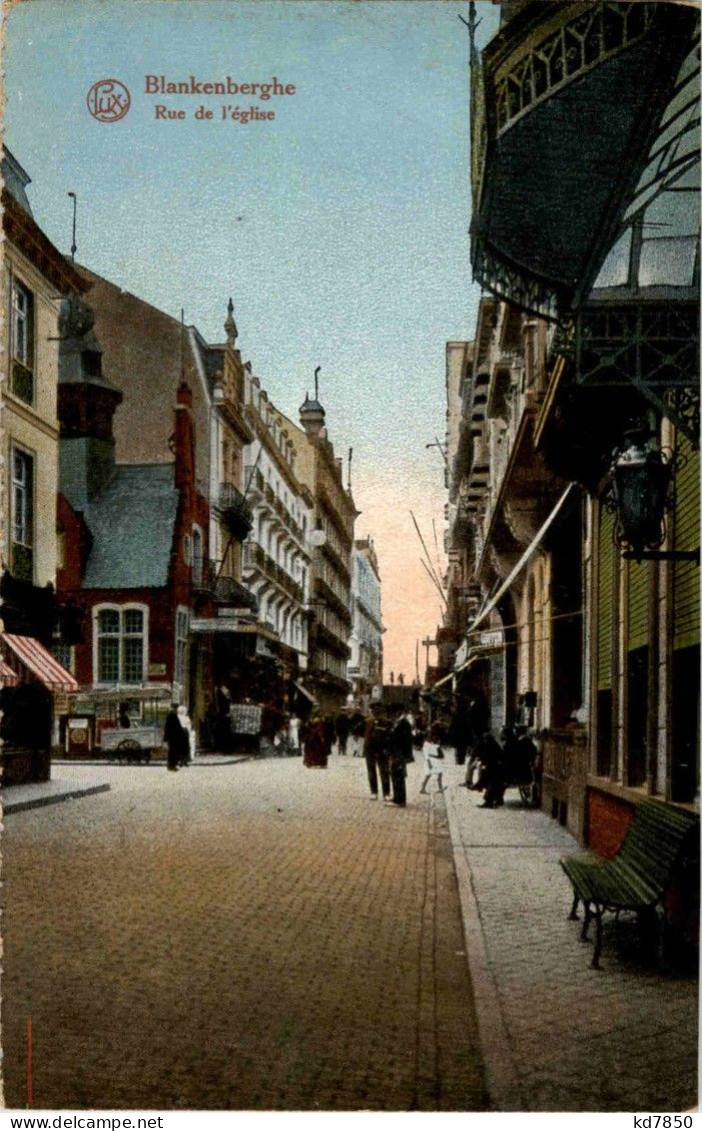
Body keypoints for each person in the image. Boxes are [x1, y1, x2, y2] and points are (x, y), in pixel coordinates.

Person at [363, 704, 392, 800]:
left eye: (378, 713)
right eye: (375, 712)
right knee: (372, 771)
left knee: (384, 772)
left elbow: (389, 736)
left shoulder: (387, 723)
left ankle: (386, 793)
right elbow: (363, 733)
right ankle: (374, 792)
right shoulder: (367, 722)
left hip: (381, 749)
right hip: (370, 749)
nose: (376, 715)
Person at [473, 729, 505, 808]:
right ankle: (480, 786)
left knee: (488, 778)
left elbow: (491, 757)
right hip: (496, 767)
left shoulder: (491, 746)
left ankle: (488, 800)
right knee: (485, 775)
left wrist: (483, 761)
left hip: (496, 768)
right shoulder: (494, 745)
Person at [388, 706, 414, 806]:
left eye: (395, 712)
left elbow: (404, 740)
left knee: (398, 775)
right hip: (397, 753)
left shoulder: (403, 723)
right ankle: (396, 797)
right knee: (395, 775)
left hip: (399, 754)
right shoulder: (400, 722)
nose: (394, 714)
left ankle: (399, 800)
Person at [419, 724, 445, 795]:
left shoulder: (434, 743)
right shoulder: (426, 744)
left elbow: (438, 752)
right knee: (428, 775)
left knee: (440, 773)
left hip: (436, 760)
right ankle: (422, 788)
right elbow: (426, 754)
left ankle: (440, 788)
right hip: (430, 760)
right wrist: (429, 763)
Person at [164, 704, 189, 772]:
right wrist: (182, 732)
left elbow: (167, 728)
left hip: (173, 738)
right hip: (173, 738)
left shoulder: (171, 716)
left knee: (173, 752)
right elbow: (171, 728)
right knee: (173, 752)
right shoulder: (172, 716)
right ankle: (172, 765)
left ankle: (171, 765)